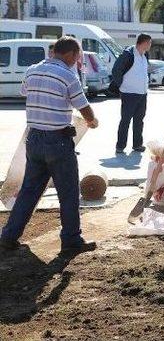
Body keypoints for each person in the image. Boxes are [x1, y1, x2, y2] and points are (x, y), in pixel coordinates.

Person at [0, 36, 99, 254]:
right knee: (68, 192)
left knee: (29, 191)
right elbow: (83, 106)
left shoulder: (32, 70)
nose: (77, 61)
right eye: (78, 56)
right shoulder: (68, 75)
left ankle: (9, 235)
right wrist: (92, 121)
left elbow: (25, 93)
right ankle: (71, 240)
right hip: (58, 142)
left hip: (34, 139)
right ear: (71, 55)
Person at [111, 33, 152, 154]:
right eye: (149, 42)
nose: (150, 45)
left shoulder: (144, 56)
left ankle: (137, 144)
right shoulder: (128, 54)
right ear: (144, 42)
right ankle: (120, 146)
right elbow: (116, 70)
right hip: (129, 93)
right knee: (125, 120)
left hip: (142, 93)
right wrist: (121, 85)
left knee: (139, 120)